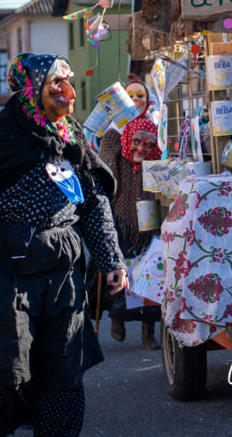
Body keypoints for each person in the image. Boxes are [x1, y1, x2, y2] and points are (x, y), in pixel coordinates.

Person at [0, 53, 127, 437]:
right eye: (56, 83)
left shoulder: (71, 137)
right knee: (1, 366)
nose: (68, 91)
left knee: (62, 364)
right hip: (2, 266)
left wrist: (111, 259)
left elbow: (94, 203)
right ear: (31, 89)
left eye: (68, 81)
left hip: (61, 268)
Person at [97, 109, 161, 350]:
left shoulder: (155, 162)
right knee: (120, 278)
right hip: (121, 226)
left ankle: (148, 332)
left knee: (150, 281)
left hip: (148, 229)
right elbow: (105, 156)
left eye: (149, 144)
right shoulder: (119, 155)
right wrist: (117, 126)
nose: (141, 149)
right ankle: (117, 318)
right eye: (137, 141)